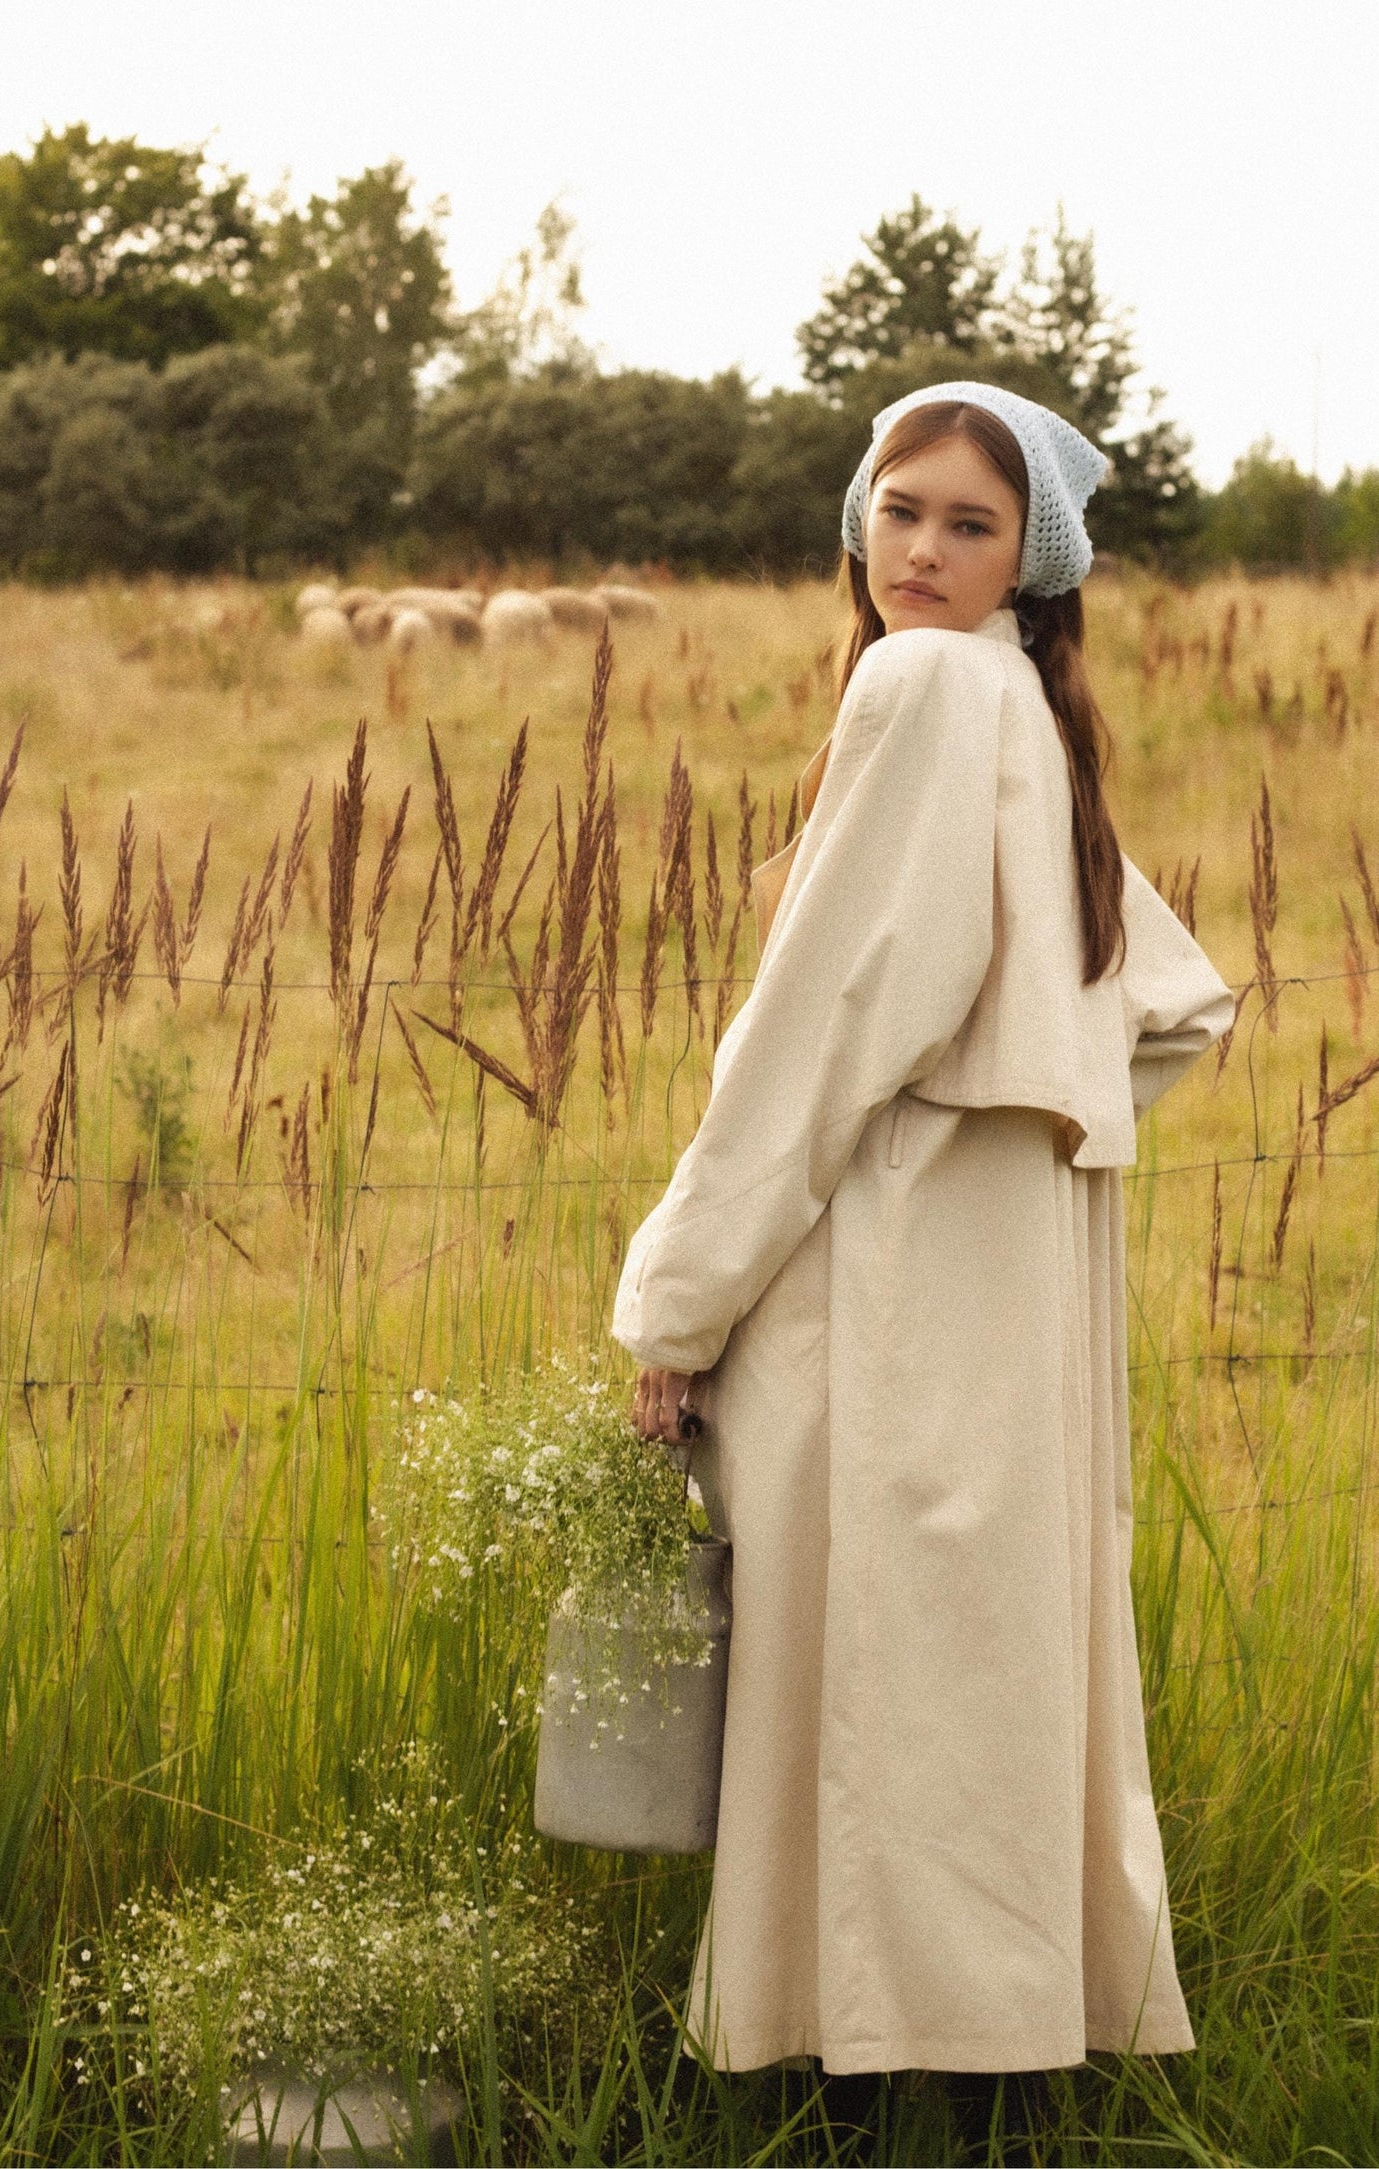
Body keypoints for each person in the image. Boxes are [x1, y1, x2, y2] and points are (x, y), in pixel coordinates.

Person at [613, 383, 1235, 2130]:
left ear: (1029, 554)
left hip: (883, 1272)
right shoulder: (1028, 709)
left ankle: (878, 2094)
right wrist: (1015, 1109)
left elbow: (815, 1033)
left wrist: (679, 1295)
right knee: (978, 1663)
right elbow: (1167, 1002)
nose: (922, 552)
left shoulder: (920, 686)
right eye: (899, 511)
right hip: (1007, 1283)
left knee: (881, 1666)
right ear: (854, 521)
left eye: (969, 524)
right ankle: (991, 2074)